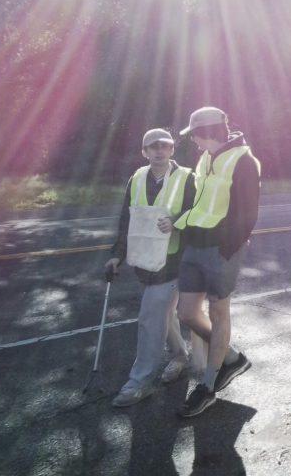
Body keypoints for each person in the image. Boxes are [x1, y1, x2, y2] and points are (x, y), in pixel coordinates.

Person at [173, 107, 261, 418]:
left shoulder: (244, 160)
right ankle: (233, 358)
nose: (193, 139)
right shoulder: (206, 158)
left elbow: (248, 213)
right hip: (195, 244)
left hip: (221, 250)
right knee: (186, 312)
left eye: (194, 133)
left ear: (208, 130)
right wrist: (181, 224)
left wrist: (227, 248)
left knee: (218, 311)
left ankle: (208, 386)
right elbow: (200, 201)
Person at [104, 128, 200, 407]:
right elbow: (127, 220)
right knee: (164, 314)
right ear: (144, 152)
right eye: (153, 146)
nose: (159, 150)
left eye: (165, 146)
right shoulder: (136, 178)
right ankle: (181, 356)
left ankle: (140, 382)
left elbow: (200, 212)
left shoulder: (188, 178)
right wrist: (116, 256)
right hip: (145, 262)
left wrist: (178, 221)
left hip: (174, 263)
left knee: (150, 318)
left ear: (172, 150)